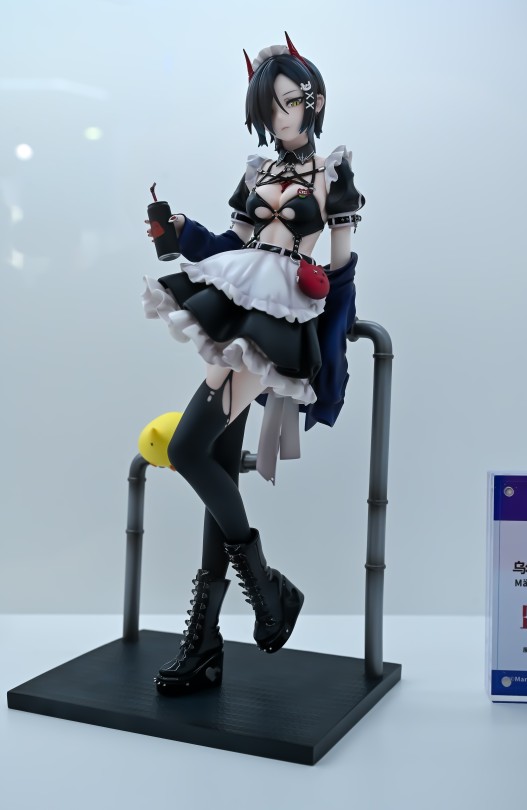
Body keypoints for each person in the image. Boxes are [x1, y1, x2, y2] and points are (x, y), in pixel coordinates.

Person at [143, 33, 364, 694]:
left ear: (313, 101)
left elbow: (341, 268)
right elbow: (230, 242)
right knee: (209, 457)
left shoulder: (332, 173)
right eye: (270, 107)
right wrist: (180, 229)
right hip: (241, 294)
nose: (280, 116)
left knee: (187, 449)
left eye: (290, 102)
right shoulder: (258, 172)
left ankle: (266, 588)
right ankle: (209, 641)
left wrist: (330, 343)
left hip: (282, 313)